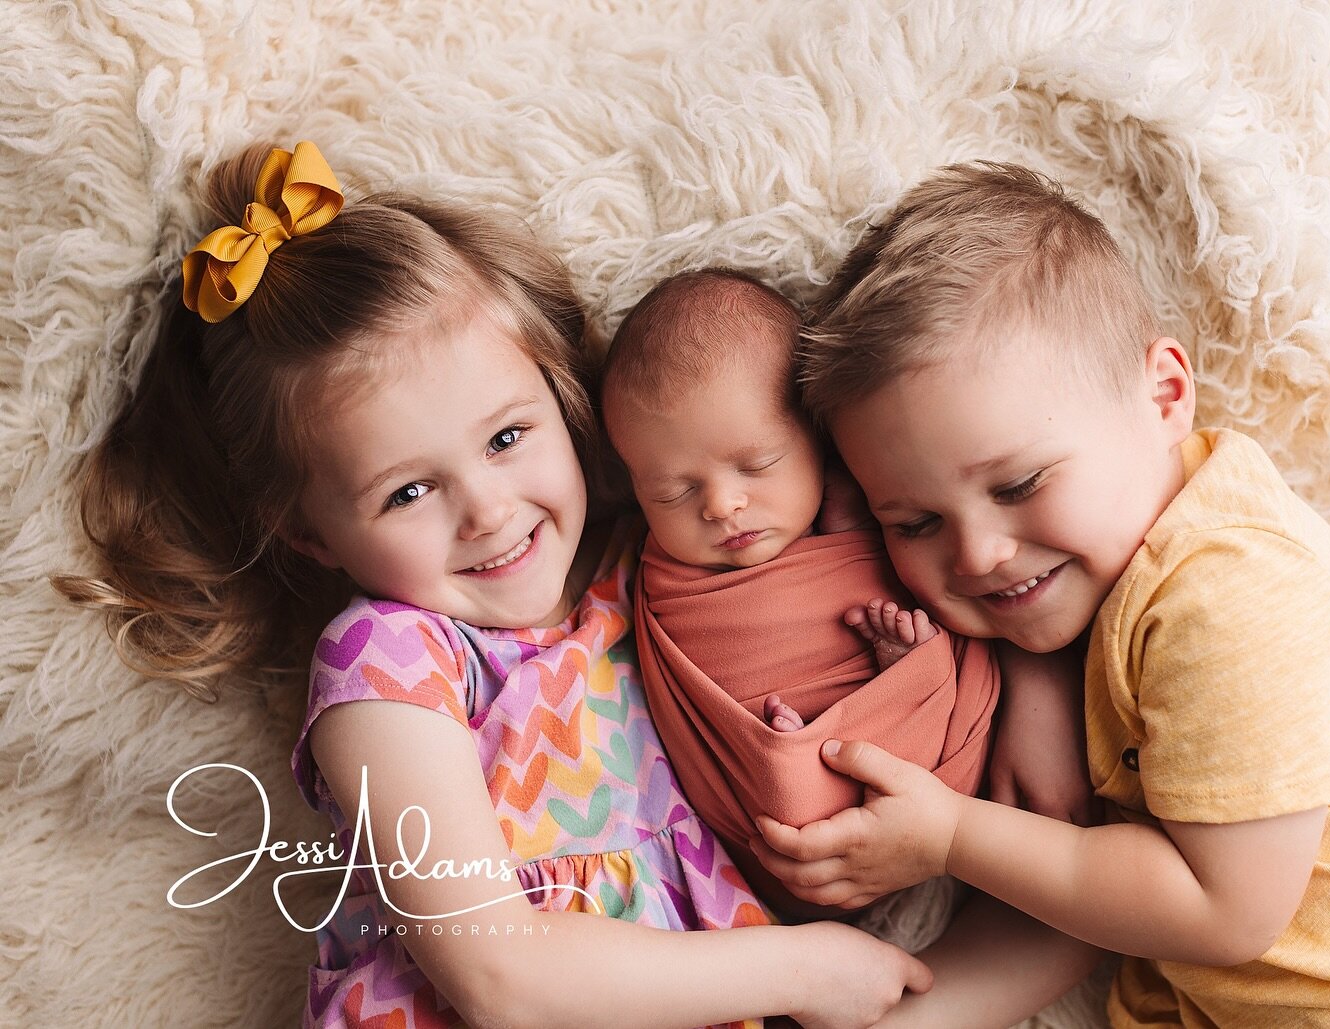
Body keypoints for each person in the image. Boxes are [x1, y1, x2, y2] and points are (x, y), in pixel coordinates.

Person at [54, 140, 933, 1029]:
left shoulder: (653, 567)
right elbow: (499, 974)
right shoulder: (389, 663)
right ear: (311, 533)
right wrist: (799, 966)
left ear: (563, 395)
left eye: (507, 438)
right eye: (407, 491)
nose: (484, 510)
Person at [750, 160, 1330, 1027]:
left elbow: (1223, 908)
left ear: (1165, 396)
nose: (979, 555)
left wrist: (952, 837)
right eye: (914, 523)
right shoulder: (1104, 570)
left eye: (1019, 483)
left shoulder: (1228, 592)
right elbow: (1092, 897)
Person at [600, 268, 1004, 919]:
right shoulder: (662, 581)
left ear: (817, 439)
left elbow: (978, 611)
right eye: (673, 492)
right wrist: (780, 756)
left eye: (756, 466)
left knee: (913, 643)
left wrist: (911, 674)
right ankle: (802, 765)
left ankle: (856, 719)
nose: (723, 505)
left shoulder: (881, 516)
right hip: (767, 831)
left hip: (933, 791)